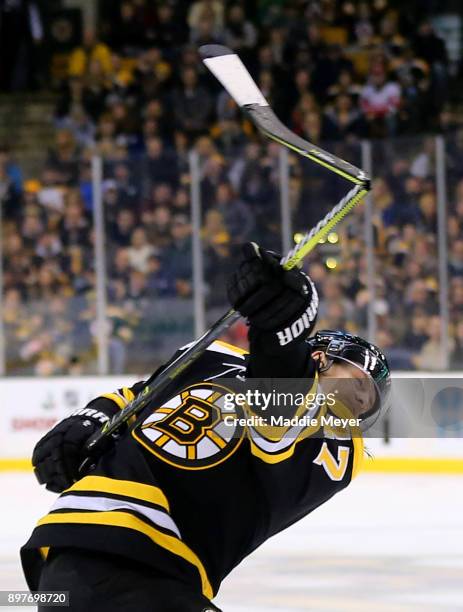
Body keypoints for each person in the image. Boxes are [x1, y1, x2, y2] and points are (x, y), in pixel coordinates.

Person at [22, 243, 391, 611]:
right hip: (110, 549)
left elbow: (280, 405)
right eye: (357, 385)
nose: (356, 403)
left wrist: (281, 333)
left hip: (137, 573)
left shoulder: (339, 444)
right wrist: (89, 420)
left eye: (364, 404)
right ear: (320, 356)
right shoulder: (211, 354)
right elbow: (137, 397)